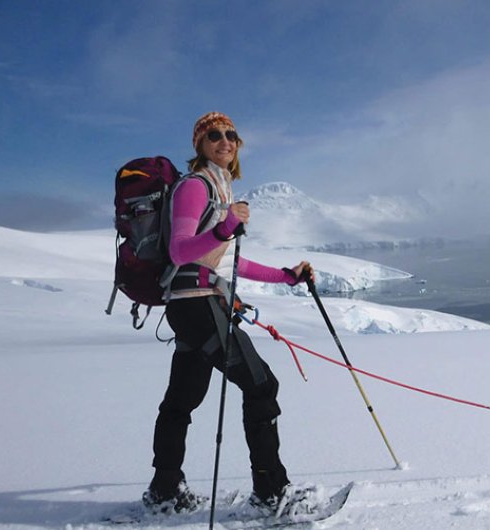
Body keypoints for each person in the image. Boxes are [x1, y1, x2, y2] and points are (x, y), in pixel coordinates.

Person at [143, 111, 314, 515]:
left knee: (181, 400)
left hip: (196, 306)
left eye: (232, 134)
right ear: (199, 145)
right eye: (214, 135)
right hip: (198, 306)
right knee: (261, 386)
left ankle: (165, 490)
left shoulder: (219, 191)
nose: (226, 140)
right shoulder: (195, 187)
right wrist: (225, 227)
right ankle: (271, 492)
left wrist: (286, 276)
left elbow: (231, 262)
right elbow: (179, 251)